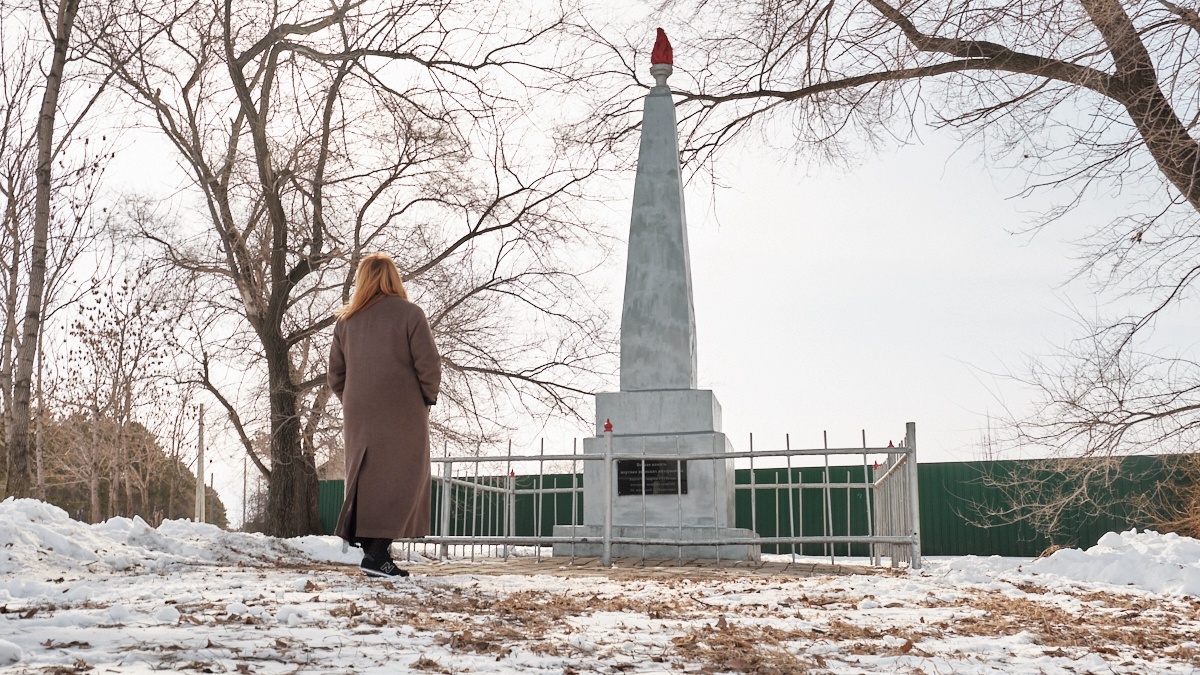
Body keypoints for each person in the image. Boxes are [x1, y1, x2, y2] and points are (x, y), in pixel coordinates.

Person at [328, 252, 441, 578]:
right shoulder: (410, 314)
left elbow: (336, 376)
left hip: (358, 414)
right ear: (393, 278)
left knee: (366, 480)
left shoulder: (345, 322)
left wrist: (353, 401)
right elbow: (429, 366)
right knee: (404, 479)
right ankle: (376, 554)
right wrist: (424, 399)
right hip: (402, 411)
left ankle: (377, 556)